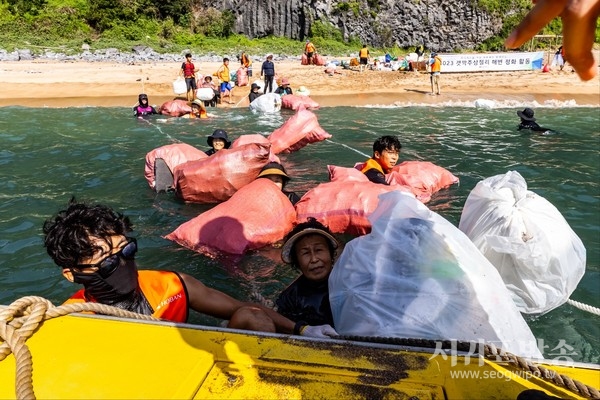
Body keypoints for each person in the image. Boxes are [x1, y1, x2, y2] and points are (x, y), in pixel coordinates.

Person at [42, 199, 305, 334]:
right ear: (72, 274)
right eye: (107, 261)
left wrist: (302, 329)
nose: (122, 263)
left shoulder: (169, 284)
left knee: (253, 318)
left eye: (127, 250)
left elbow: (242, 309)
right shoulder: (71, 321)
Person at [504, 0, 600, 81]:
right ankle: (562, 68)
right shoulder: (562, 50)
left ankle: (563, 68)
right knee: (566, 61)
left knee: (567, 60)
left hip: (565, 54)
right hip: (564, 55)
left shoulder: (562, 50)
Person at [276, 217, 340, 332]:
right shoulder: (290, 298)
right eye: (305, 253)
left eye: (319, 250)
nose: (314, 259)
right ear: (297, 263)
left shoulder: (349, 283)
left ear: (331, 254)